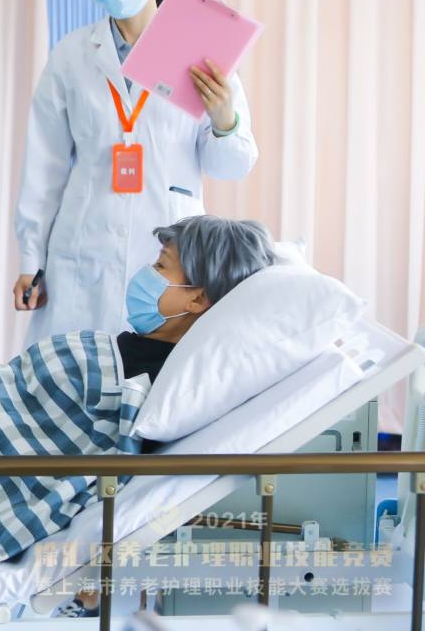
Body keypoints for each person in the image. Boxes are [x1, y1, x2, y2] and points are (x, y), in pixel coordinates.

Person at [13, 0, 259, 344]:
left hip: (170, 251)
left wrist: (225, 120)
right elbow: (44, 166)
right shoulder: (72, 55)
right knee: (72, 369)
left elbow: (231, 166)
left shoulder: (202, 50)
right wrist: (32, 259)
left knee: (157, 373)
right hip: (83, 248)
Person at [51, 214, 279, 619]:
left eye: (160, 266)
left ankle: (88, 595)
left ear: (197, 300)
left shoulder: (165, 378)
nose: (146, 274)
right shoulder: (140, 350)